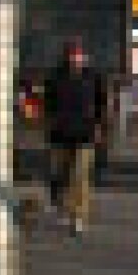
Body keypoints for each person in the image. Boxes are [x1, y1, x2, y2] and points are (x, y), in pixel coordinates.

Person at [43, 38, 107, 237]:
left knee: (80, 176)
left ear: (85, 57)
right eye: (72, 55)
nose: (76, 59)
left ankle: (78, 217)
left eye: (79, 55)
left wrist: (99, 127)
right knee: (58, 174)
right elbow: (47, 104)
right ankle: (59, 202)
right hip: (59, 134)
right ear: (66, 57)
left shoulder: (94, 77)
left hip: (84, 134)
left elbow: (102, 104)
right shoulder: (55, 77)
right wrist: (48, 123)